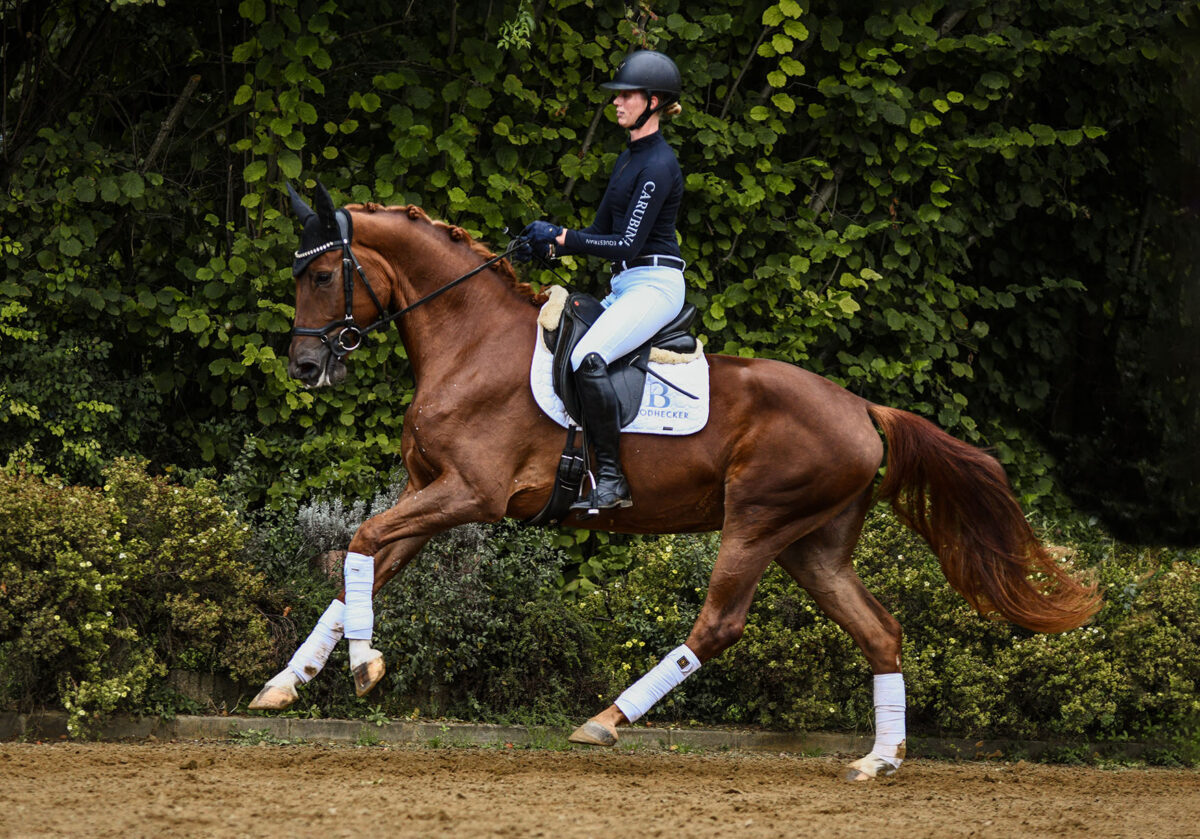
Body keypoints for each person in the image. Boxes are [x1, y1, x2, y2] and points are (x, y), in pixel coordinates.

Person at [520, 49, 687, 515]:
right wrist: (552, 244)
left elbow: (628, 245)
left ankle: (612, 479)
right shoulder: (628, 159)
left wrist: (563, 236)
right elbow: (597, 237)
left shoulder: (658, 165)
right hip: (627, 284)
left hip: (655, 284)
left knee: (587, 356)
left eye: (626, 96)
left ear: (653, 101)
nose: (616, 103)